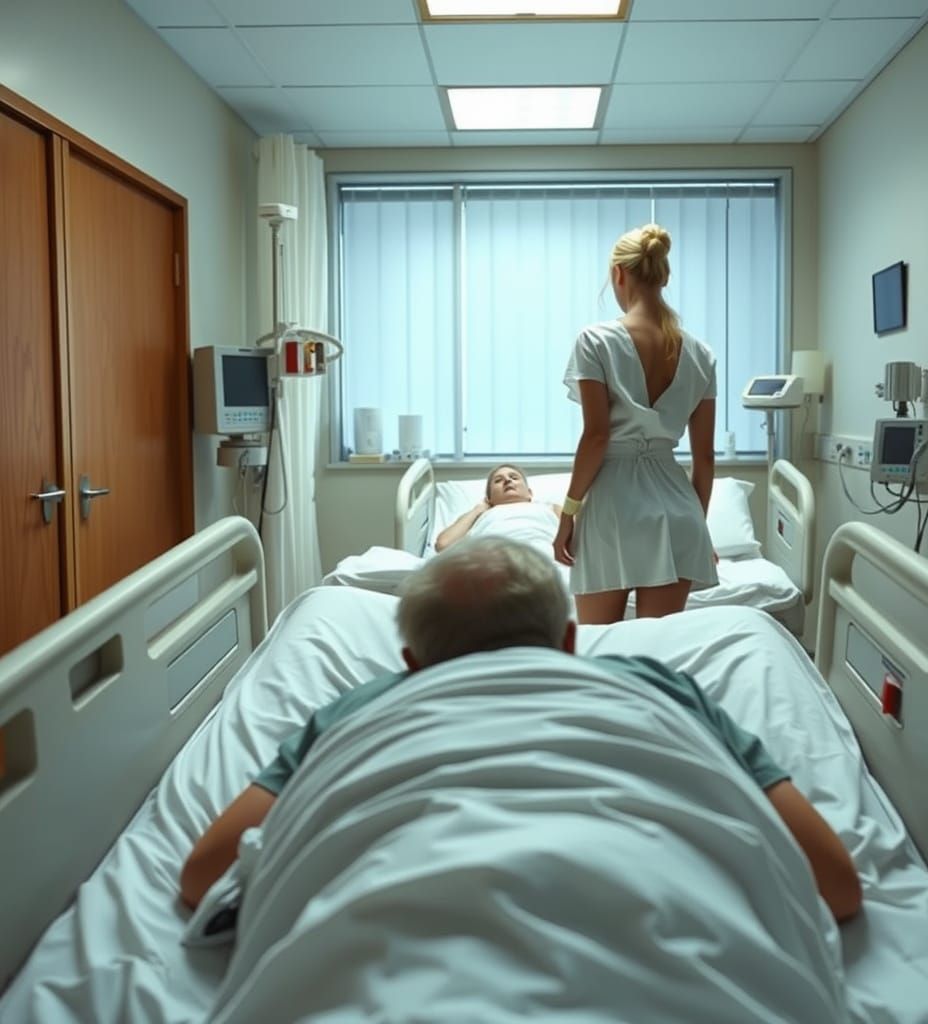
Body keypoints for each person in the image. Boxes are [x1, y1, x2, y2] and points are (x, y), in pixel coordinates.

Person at [180, 537, 861, 926]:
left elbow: (204, 874)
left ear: (412, 664)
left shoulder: (358, 711)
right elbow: (835, 884)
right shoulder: (658, 688)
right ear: (569, 640)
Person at [554, 223, 717, 625]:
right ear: (664, 276)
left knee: (599, 650)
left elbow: (596, 438)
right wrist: (698, 524)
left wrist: (567, 514)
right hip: (679, 511)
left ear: (618, 274)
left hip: (614, 509)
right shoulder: (701, 354)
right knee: (655, 654)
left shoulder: (595, 341)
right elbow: (706, 458)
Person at [434, 463, 561, 552]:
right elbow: (444, 545)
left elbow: (578, 541)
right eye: (498, 480)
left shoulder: (551, 508)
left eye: (514, 477)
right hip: (494, 560)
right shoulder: (480, 515)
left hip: (545, 557)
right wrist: (477, 510)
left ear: (530, 493)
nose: (507, 480)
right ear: (489, 498)